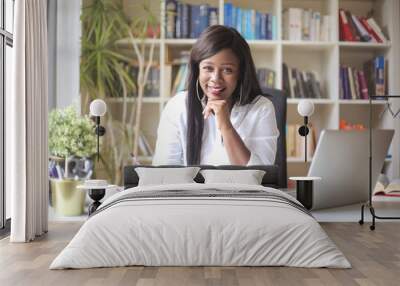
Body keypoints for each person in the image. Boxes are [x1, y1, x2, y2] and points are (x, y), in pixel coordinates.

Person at [153, 25, 279, 166]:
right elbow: (163, 173)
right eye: (208, 68)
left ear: (241, 73)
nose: (216, 78)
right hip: (188, 189)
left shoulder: (261, 108)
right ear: (197, 69)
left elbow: (262, 175)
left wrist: (226, 126)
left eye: (227, 70)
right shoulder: (177, 106)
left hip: (242, 189)